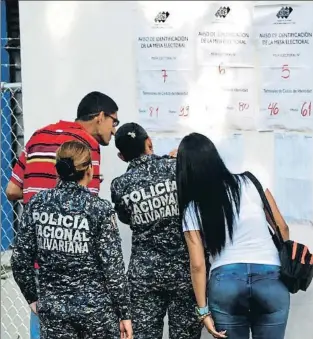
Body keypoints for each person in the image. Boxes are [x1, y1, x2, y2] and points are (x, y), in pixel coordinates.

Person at [5, 91, 119, 339]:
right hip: (80, 277)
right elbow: (86, 203)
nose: (114, 130)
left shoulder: (37, 136)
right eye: (114, 121)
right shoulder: (87, 144)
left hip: (42, 264)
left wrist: (41, 200)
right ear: (100, 116)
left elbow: (12, 190)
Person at [11, 140, 133, 339]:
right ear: (89, 170)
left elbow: (19, 260)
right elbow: (114, 269)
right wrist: (125, 315)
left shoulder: (37, 204)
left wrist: (33, 297)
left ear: (57, 169)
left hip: (54, 312)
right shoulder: (99, 209)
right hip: (97, 313)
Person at [177, 132, 291, 339]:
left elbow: (197, 264)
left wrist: (203, 312)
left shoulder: (192, 208)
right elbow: (282, 228)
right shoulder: (251, 184)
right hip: (270, 279)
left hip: (226, 283)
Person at [110, 123, 202, 339]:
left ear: (121, 156)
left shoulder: (119, 185)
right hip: (184, 273)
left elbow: (126, 218)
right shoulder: (176, 168)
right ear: (149, 142)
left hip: (144, 277)